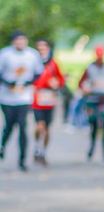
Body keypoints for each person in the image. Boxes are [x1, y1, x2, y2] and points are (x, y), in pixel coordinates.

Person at [0, 30, 44, 172]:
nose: (20, 43)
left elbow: (38, 73)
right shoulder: (5, 54)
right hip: (7, 97)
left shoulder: (32, 54)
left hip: (24, 97)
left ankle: (22, 159)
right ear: (13, 41)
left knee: (22, 126)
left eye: (23, 40)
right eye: (18, 40)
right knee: (10, 125)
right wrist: (10, 84)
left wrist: (27, 83)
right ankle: (2, 146)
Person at [31, 38, 64, 166]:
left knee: (47, 129)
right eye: (39, 49)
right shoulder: (33, 63)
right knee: (40, 126)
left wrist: (56, 84)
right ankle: (36, 147)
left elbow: (60, 80)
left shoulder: (53, 64)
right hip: (37, 99)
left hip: (49, 100)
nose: (42, 51)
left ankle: (43, 152)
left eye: (44, 48)